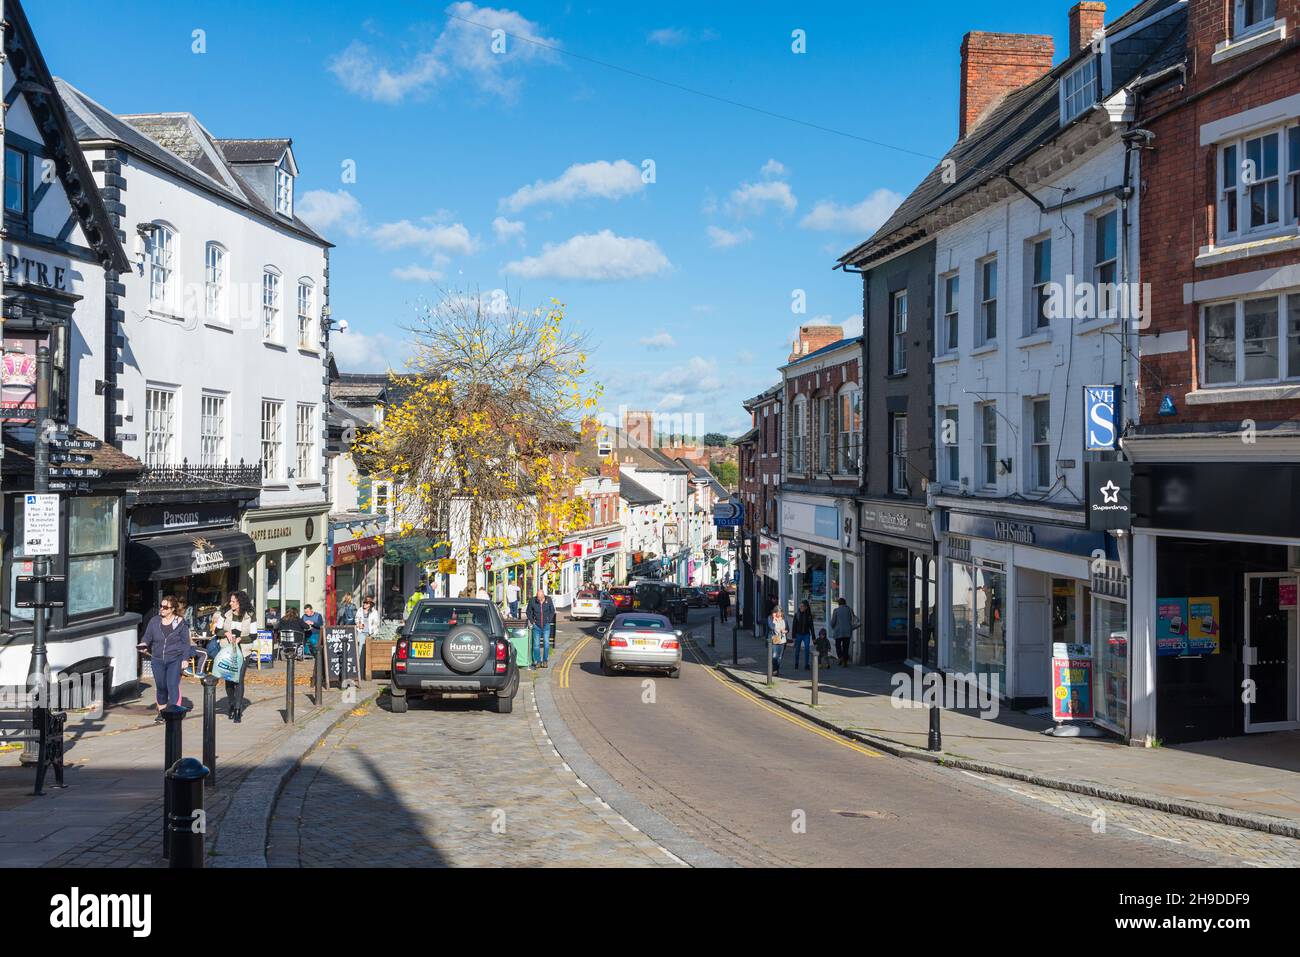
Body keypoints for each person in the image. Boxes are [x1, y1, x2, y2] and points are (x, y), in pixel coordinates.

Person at [140, 595, 200, 717]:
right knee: (161, 687)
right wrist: (144, 644)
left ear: (172, 609)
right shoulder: (154, 621)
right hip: (157, 659)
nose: (162, 609)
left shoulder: (180, 622)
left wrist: (185, 659)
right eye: (161, 606)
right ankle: (162, 712)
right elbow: (147, 636)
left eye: (165, 607)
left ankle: (173, 713)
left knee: (172, 685)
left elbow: (185, 643)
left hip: (174, 659)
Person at [211, 591, 259, 723]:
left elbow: (253, 635)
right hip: (227, 651)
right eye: (230, 601)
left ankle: (238, 709)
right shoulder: (225, 613)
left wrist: (240, 639)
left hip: (243, 651)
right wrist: (225, 633)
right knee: (229, 679)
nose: (230, 603)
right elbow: (216, 630)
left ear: (240, 602)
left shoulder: (250, 615)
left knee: (239, 679)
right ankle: (231, 704)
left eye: (233, 601)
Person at [526, 588, 555, 669]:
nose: (538, 599)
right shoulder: (532, 600)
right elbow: (528, 611)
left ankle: (545, 661)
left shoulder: (548, 600)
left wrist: (549, 620)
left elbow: (552, 611)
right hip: (536, 625)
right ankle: (538, 661)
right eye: (537, 597)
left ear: (543, 596)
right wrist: (532, 621)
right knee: (536, 645)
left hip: (546, 625)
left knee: (546, 644)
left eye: (540, 598)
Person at [830, 597, 859, 667]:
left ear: (838, 604)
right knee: (846, 647)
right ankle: (845, 661)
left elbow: (833, 622)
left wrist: (833, 627)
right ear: (845, 603)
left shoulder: (836, 610)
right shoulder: (849, 609)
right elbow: (853, 618)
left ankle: (840, 658)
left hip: (838, 631)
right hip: (847, 631)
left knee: (838, 646)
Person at [356, 595, 381, 668]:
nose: (364, 604)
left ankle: (368, 668)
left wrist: (374, 633)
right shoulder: (360, 610)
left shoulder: (374, 612)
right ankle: (360, 667)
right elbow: (356, 619)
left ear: (370, 604)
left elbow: (376, 623)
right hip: (361, 632)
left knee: (369, 651)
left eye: (366, 603)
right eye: (364, 602)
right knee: (360, 649)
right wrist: (359, 624)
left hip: (370, 634)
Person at [792, 600, 814, 670]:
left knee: (807, 649)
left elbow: (811, 627)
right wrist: (793, 636)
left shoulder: (809, 616)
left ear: (806, 607)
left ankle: (806, 664)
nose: (801, 607)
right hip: (798, 634)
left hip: (806, 635)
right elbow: (794, 626)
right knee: (797, 650)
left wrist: (814, 637)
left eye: (802, 606)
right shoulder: (797, 614)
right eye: (800, 606)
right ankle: (796, 663)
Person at [768, 607, 788, 676]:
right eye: (777, 612)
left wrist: (785, 631)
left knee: (779, 657)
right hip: (775, 639)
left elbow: (787, 628)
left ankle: (776, 671)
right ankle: (774, 670)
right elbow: (771, 627)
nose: (779, 614)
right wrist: (774, 619)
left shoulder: (784, 619)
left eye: (780, 612)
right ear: (775, 612)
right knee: (774, 656)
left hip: (782, 640)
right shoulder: (770, 618)